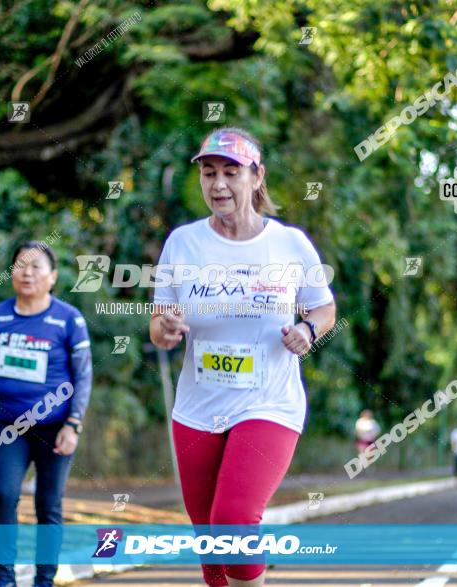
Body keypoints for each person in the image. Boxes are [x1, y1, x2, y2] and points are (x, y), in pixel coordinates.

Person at [150, 127, 337, 587]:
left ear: (257, 177)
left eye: (231, 172)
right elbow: (158, 325)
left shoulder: (289, 244)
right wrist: (167, 328)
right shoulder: (183, 243)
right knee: (210, 548)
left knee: (233, 520)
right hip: (197, 408)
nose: (218, 185)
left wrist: (308, 329)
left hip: (268, 403)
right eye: (209, 173)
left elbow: (324, 306)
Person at [0, 241, 93, 587]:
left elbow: (83, 375)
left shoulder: (69, 319)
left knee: (48, 505)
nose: (27, 272)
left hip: (56, 428)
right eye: (20, 265)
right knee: (3, 495)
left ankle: (44, 580)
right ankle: (5, 579)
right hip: (10, 427)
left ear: (53, 277)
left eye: (36, 266)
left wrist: (74, 423)